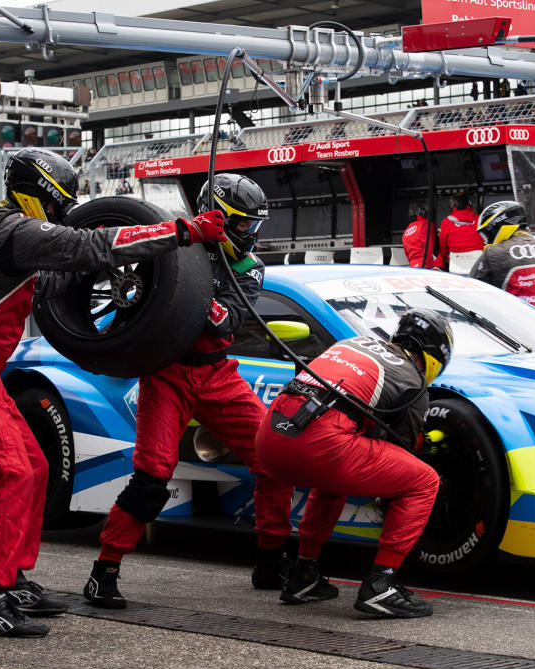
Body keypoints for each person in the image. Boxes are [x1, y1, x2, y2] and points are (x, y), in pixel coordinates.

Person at [0, 148, 226, 638]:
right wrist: (181, 232)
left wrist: (114, 273)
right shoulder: (15, 230)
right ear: (41, 194)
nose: (63, 212)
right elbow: (91, 246)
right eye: (60, 203)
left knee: (36, 467)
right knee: (12, 473)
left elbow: (57, 279)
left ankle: (13, 577)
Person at [82, 173, 297, 609]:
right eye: (241, 225)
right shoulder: (171, 243)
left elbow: (227, 321)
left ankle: (271, 561)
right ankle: (104, 571)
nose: (249, 235)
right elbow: (131, 292)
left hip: (218, 373)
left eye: (254, 226)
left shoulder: (249, 267)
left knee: (275, 458)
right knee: (152, 478)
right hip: (166, 374)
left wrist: (196, 292)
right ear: (217, 215)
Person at [254, 308, 452, 619]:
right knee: (424, 480)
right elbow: (403, 447)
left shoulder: (352, 342)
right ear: (432, 356)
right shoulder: (412, 379)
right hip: (320, 445)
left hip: (269, 439)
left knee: (334, 481)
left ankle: (303, 574)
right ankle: (381, 585)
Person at [435, 193, 482, 270]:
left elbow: (443, 248)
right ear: (469, 204)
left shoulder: (446, 222)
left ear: (453, 205)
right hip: (478, 265)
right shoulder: (480, 219)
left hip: (455, 266)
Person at [400, 204, 437, 269]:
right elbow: (429, 247)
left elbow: (407, 253)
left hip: (412, 265)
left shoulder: (406, 232)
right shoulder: (427, 224)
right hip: (426, 265)